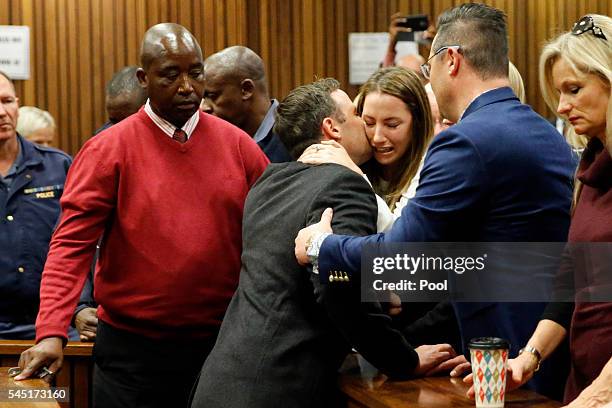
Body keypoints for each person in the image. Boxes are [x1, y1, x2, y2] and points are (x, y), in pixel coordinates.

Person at [295, 3, 576, 400]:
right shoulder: (547, 134)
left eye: (429, 68)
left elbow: (399, 253)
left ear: (452, 61)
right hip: (544, 350)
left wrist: (320, 245)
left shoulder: (464, 140)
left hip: (507, 363)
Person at [15, 23, 269, 408]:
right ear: (143, 78)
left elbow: (270, 237)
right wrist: (51, 330)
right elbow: (70, 245)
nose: (187, 87)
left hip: (220, 347)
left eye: (195, 73)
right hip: (132, 355)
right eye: (171, 74)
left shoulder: (239, 146)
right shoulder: (108, 149)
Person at [191, 78, 455, 408]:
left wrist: (372, 288)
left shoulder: (267, 184)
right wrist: (404, 361)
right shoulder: (344, 184)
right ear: (332, 128)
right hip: (280, 388)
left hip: (219, 381)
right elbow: (336, 286)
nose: (367, 127)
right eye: (357, 115)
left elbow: (286, 278)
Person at [489, 14, 611, 407]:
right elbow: (573, 280)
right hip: (584, 384)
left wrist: (602, 392)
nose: (561, 107)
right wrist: (529, 357)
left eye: (574, 89)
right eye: (559, 92)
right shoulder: (590, 169)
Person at [0, 72, 72, 340]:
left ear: (18, 104)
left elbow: (84, 244)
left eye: (7, 101)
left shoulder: (58, 166)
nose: (2, 112)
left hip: (52, 327)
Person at [202, 46, 292, 162]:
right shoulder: (211, 143)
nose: (203, 108)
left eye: (212, 96)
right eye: (202, 98)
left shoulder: (298, 138)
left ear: (246, 89)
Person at [94, 65, 148, 135]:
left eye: (128, 121)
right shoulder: (101, 140)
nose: (120, 127)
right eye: (114, 121)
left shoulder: (163, 134)